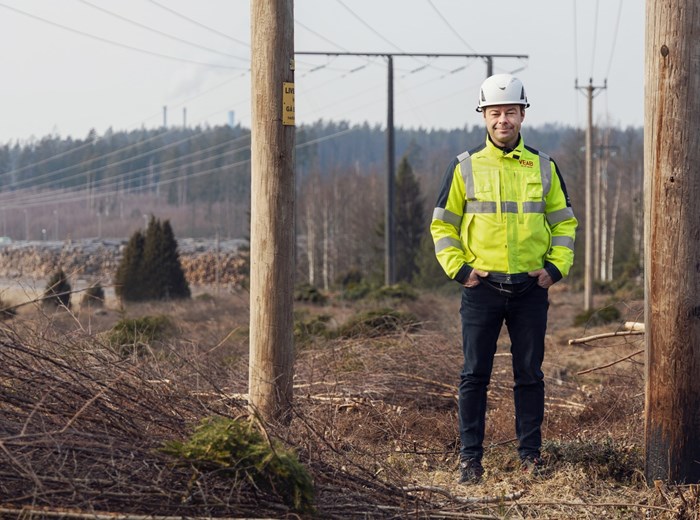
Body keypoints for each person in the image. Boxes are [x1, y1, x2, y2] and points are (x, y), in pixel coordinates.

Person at [430, 74, 578, 484]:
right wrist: (460, 270)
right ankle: (470, 461)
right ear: (484, 116)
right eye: (494, 113)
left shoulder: (544, 166)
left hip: (531, 289)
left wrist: (555, 268)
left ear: (523, 114)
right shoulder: (465, 167)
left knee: (529, 375)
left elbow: (565, 222)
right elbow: (442, 226)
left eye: (510, 112)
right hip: (482, 289)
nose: (502, 120)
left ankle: (530, 458)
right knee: (474, 375)